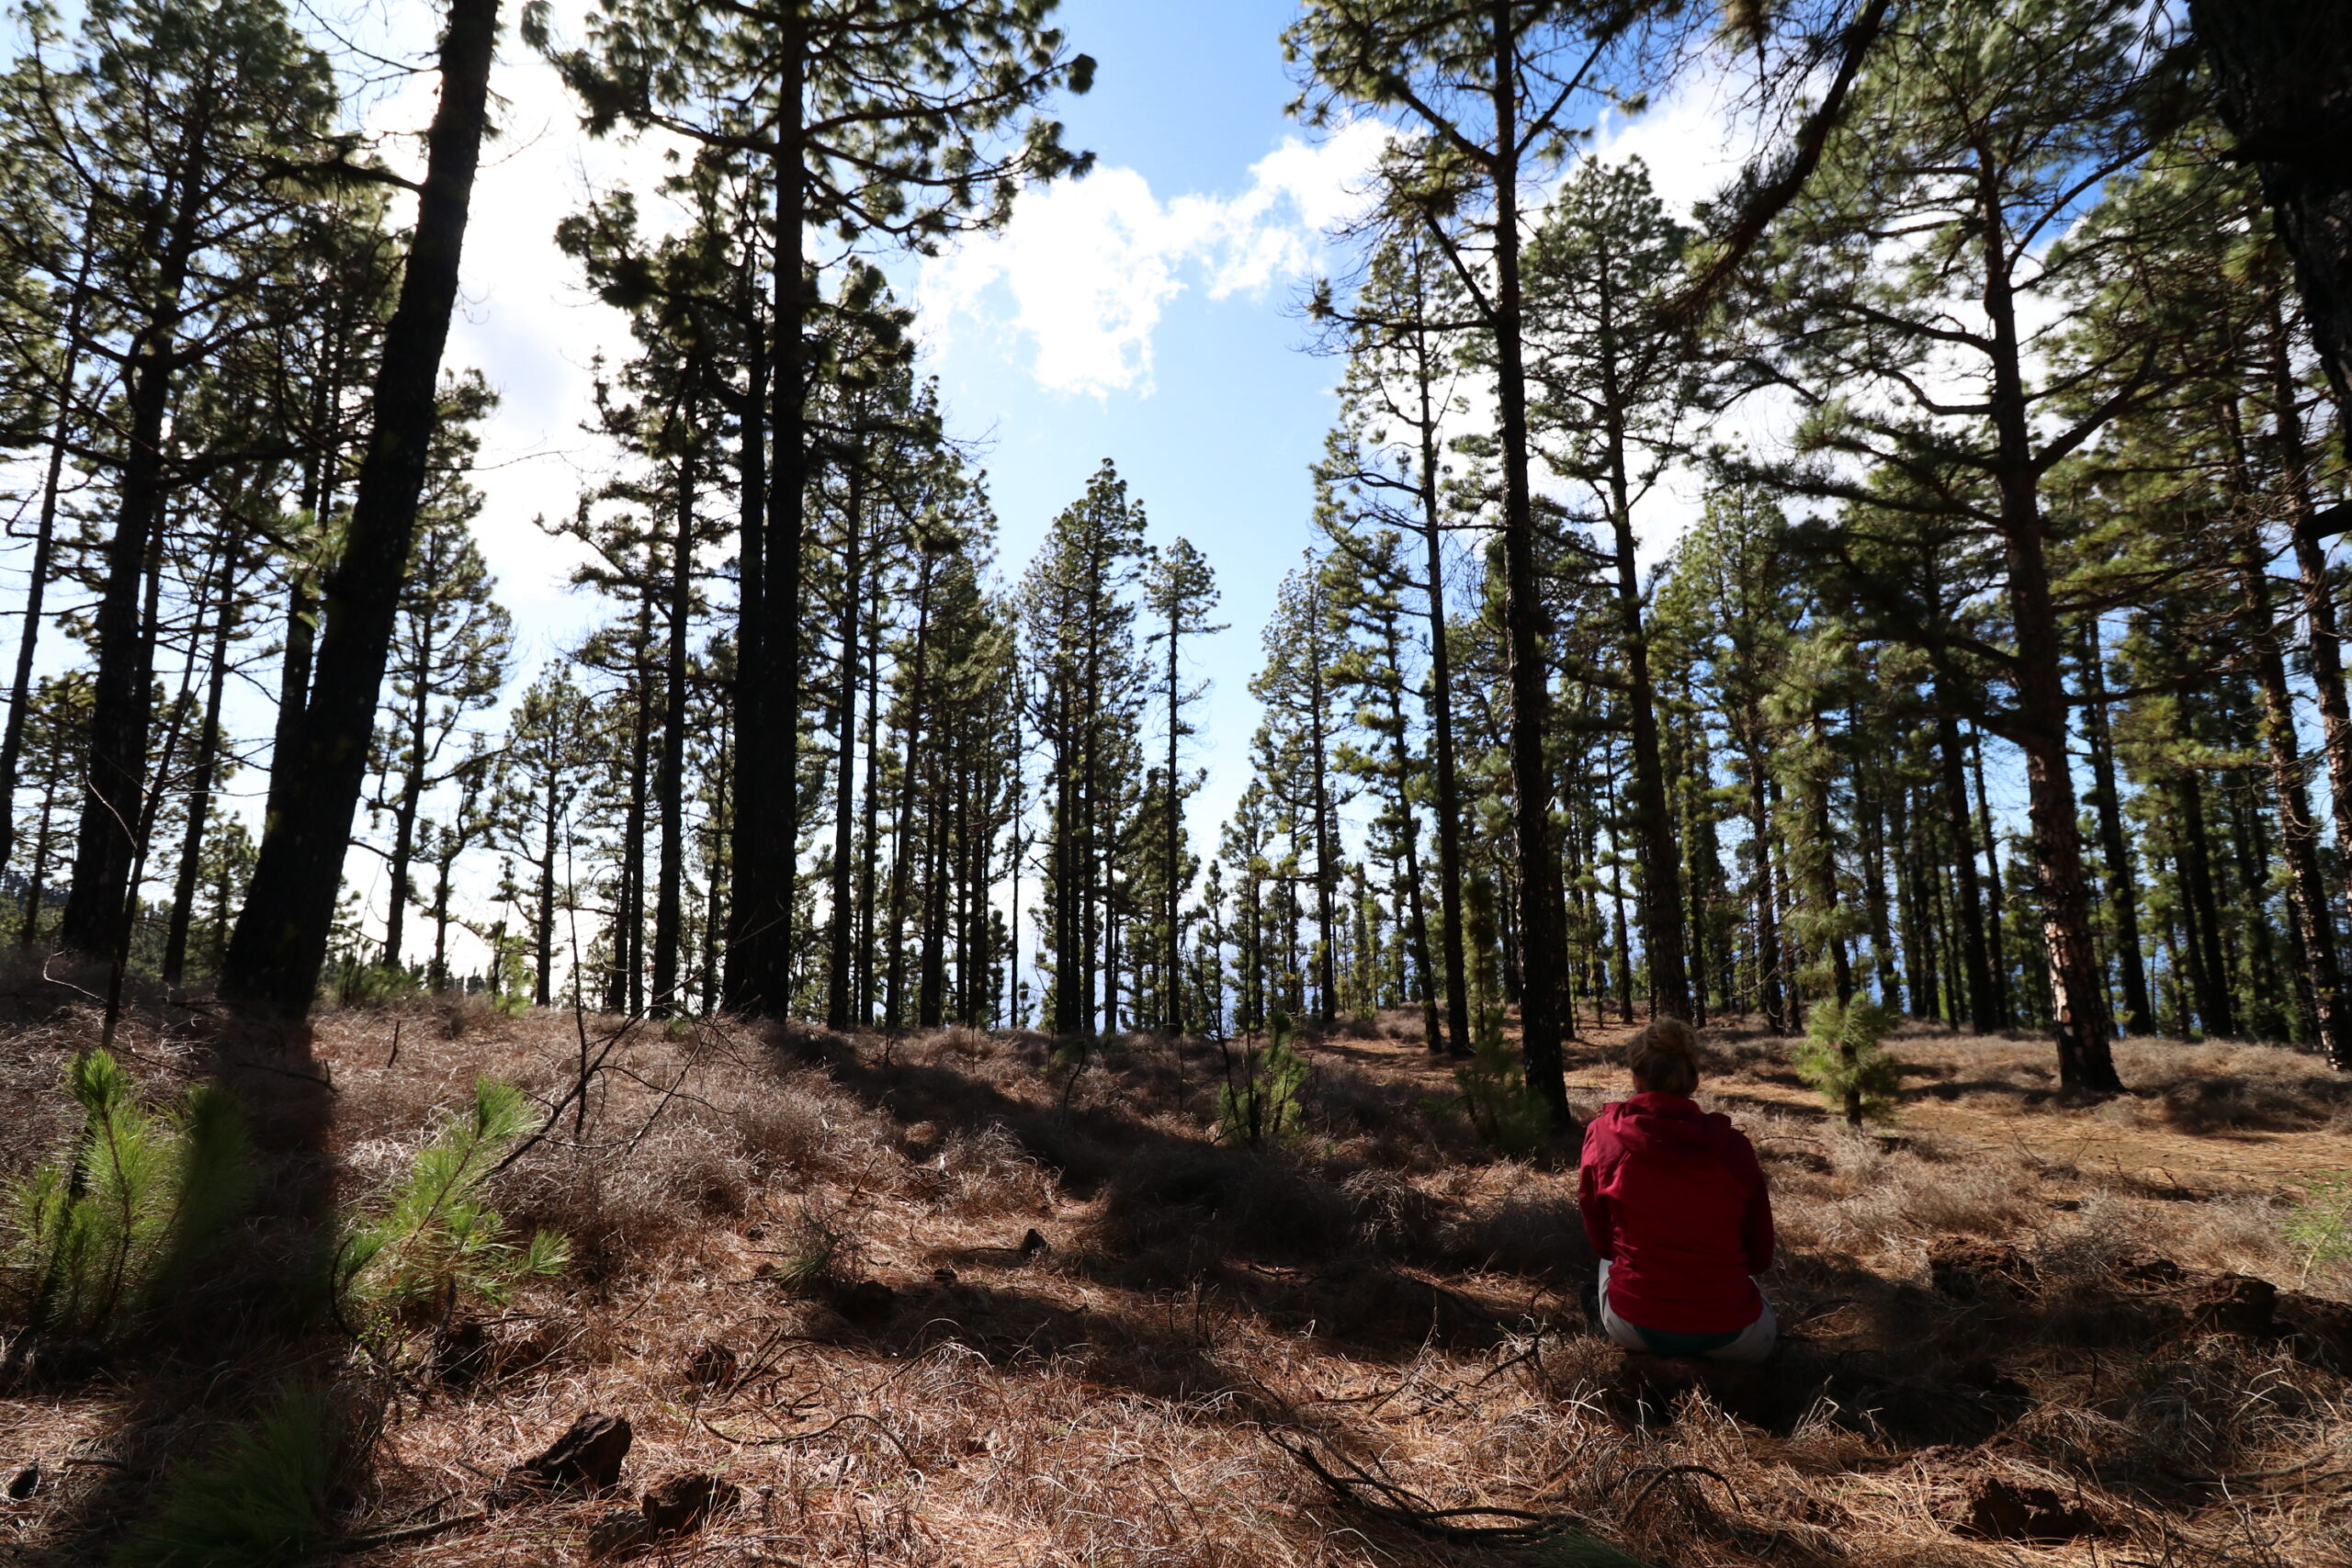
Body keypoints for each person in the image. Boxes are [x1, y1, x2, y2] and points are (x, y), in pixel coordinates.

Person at [1577, 1017, 1777, 1362]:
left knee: (1604, 1265)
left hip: (1635, 1322)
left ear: (1637, 1077)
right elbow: (1759, 1257)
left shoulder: (1603, 1135)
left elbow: (1602, 1243)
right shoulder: (1734, 1147)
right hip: (1736, 1334)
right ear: (1694, 1080)